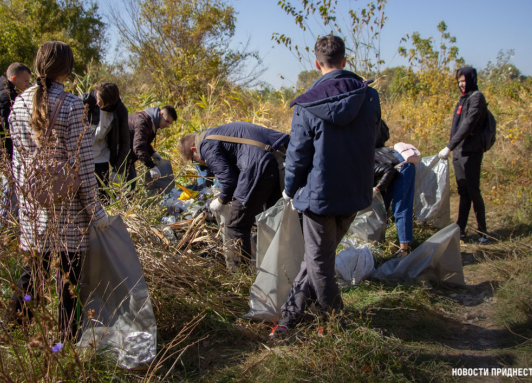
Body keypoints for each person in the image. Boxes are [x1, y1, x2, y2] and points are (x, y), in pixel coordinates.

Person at [274, 34, 381, 336]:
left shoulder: (308, 103)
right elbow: (375, 137)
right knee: (317, 258)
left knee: (319, 262)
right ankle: (290, 316)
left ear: (317, 63)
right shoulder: (369, 96)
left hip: (319, 196)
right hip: (354, 193)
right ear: (344, 60)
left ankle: (335, 323)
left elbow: (298, 154)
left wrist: (289, 189)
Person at [7, 41, 111, 341]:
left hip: (33, 206)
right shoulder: (72, 105)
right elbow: (83, 165)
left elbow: (17, 162)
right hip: (69, 209)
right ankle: (66, 338)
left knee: (32, 274)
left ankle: (14, 326)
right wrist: (96, 212)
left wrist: (24, 202)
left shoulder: (19, 103)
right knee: (69, 279)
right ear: (67, 68)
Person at [177, 122, 289, 267]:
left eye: (194, 160)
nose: (200, 163)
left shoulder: (205, 145)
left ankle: (241, 273)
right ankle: (280, 264)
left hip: (257, 166)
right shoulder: (216, 133)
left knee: (235, 224)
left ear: (194, 149)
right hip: (273, 163)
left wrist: (221, 200)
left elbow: (229, 181)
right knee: (271, 217)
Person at [438, 67, 489, 244]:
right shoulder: (462, 100)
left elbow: (468, 124)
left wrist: (449, 146)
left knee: (474, 191)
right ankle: (460, 229)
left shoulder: (477, 98)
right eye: (459, 82)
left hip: (471, 152)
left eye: (464, 81)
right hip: (458, 152)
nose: (461, 84)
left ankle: (483, 232)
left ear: (472, 80)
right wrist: (452, 147)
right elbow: (456, 126)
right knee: (463, 192)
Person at [0, 62, 32, 225]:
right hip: (6, 154)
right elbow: (9, 129)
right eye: (25, 81)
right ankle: (4, 229)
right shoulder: (7, 98)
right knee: (10, 193)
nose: (27, 85)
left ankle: (8, 226)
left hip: (6, 153)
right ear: (14, 78)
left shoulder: (5, 94)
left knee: (11, 192)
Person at [373, 120, 415, 257]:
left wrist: (376, 189)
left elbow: (388, 171)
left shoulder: (365, 163)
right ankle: (379, 241)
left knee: (401, 207)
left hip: (402, 167)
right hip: (392, 163)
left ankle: (404, 250)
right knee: (382, 206)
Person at [81, 82, 130, 196]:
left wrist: (118, 169)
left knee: (102, 195)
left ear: (111, 102)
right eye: (97, 98)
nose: (97, 103)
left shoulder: (120, 111)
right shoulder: (85, 100)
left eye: (101, 101)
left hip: (101, 157)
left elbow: (125, 142)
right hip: (83, 154)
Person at [127, 105, 177, 191]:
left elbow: (143, 141)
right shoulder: (143, 122)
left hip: (127, 158)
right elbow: (138, 147)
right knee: (128, 186)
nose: (167, 125)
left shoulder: (150, 122)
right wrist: (151, 166)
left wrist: (152, 153)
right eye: (166, 121)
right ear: (160, 113)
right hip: (120, 156)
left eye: (169, 123)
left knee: (131, 182)